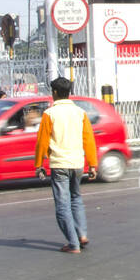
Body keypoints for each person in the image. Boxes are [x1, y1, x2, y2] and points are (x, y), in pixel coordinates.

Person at [34, 76, 98, 254]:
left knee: (62, 205)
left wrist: (39, 164)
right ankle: (82, 234)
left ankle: (73, 243)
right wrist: (92, 164)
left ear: (54, 93)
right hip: (77, 163)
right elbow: (88, 140)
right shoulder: (80, 113)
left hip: (59, 164)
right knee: (76, 198)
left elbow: (42, 141)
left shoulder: (50, 114)